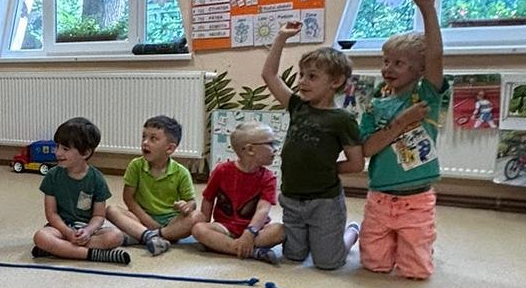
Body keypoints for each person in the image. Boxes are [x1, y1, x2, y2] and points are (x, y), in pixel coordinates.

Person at [358, 0, 446, 280]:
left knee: (415, 271)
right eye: (386, 62)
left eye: (399, 63)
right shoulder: (375, 106)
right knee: (375, 265)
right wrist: (401, 122)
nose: (388, 68)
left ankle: (419, 243)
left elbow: (435, 57)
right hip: (380, 198)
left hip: (416, 200)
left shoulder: (426, 97)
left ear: (419, 70)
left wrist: (427, 10)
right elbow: (367, 149)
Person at [261, 26, 363, 269]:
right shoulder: (297, 106)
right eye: (301, 75)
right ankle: (316, 237)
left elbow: (357, 163)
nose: (302, 82)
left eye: (312, 76)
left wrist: (325, 169)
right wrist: (281, 37)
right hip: (292, 199)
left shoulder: (342, 119)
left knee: (328, 263)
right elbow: (269, 75)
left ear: (336, 81)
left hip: (324, 202)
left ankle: (351, 232)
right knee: (293, 257)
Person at [32, 117, 131, 265]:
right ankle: (93, 254)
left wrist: (88, 231)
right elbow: (51, 214)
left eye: (65, 149)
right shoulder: (52, 176)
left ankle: (59, 249)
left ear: (85, 153)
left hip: (87, 229)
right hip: (60, 228)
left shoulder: (97, 179)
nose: (58, 153)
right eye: (57, 146)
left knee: (116, 236)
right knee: (40, 237)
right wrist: (67, 232)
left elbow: (98, 216)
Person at [191, 122, 286, 262]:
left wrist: (250, 232)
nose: (275, 149)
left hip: (256, 229)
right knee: (198, 229)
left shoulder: (268, 177)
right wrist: (206, 223)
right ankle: (251, 251)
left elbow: (263, 209)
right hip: (225, 227)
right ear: (250, 149)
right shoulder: (222, 170)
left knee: (281, 230)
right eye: (270, 144)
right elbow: (208, 198)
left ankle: (227, 246)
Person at [105, 114, 198, 256]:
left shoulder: (181, 172)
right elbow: (128, 198)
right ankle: (149, 236)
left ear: (170, 148)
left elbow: (191, 202)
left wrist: (187, 207)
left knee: (197, 217)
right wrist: (147, 220)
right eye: (144, 137)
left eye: (153, 139)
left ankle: (149, 235)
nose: (145, 142)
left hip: (170, 222)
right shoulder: (135, 165)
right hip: (140, 218)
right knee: (111, 210)